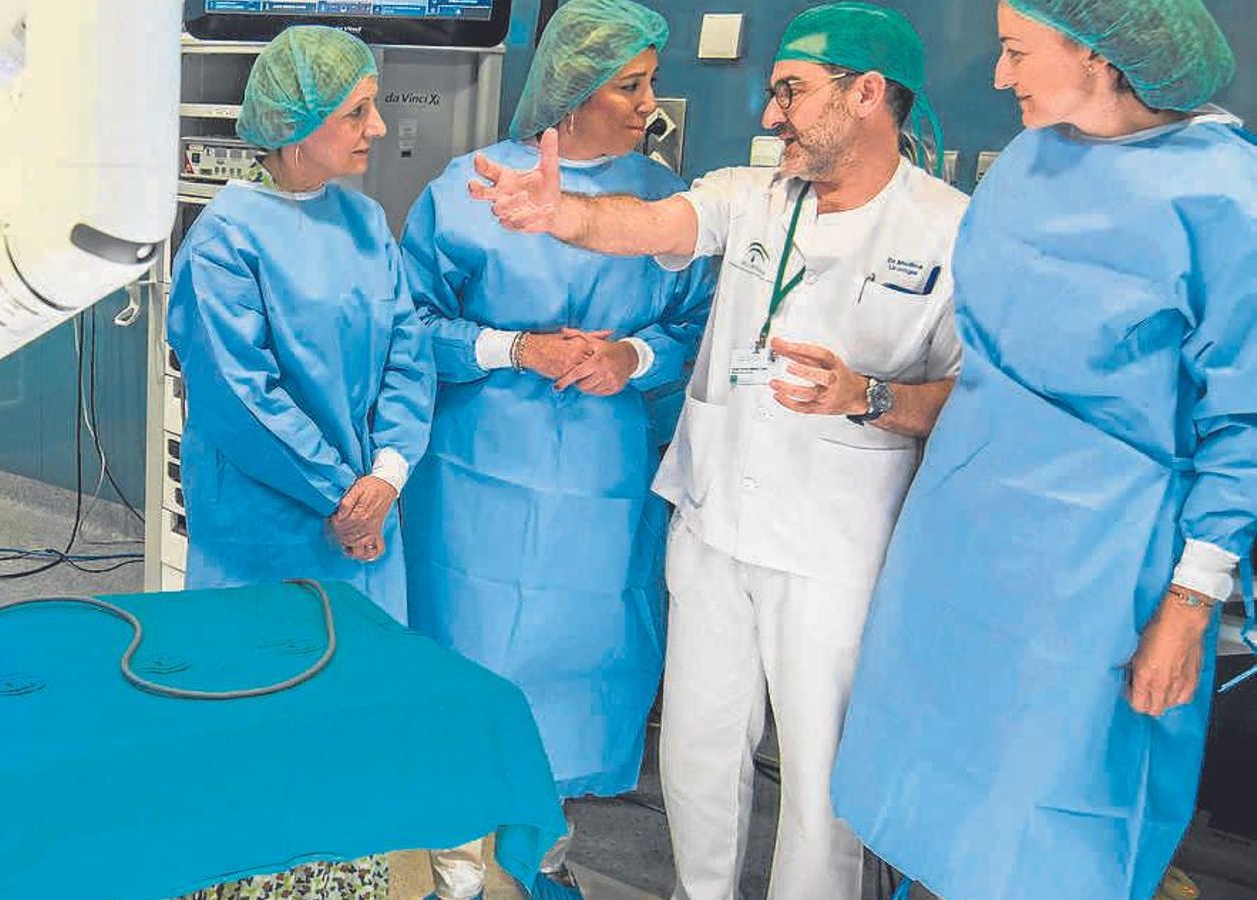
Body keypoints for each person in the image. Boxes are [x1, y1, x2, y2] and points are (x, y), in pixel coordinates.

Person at [467, 4, 969, 898]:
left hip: (834, 548)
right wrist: (561, 216)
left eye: (792, 93)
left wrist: (871, 395)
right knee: (698, 751)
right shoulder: (750, 193)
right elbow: (649, 225)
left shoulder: (950, 231)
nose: (771, 115)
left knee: (820, 778)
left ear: (867, 94)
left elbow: (971, 403)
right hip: (712, 523)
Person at [829, 2, 1256, 900]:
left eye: (1017, 51)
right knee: (930, 782)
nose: (997, 75)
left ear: (1102, 58)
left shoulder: (1226, 198)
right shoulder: (1030, 159)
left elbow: (1244, 424)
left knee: (1050, 813)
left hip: (1099, 563)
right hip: (961, 529)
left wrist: (1190, 604)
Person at [397, 1, 715, 897]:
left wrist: (631, 355)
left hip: (605, 481)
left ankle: (543, 853)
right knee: (469, 649)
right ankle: (457, 860)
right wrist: (515, 348)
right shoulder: (471, 191)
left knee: (582, 656)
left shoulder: (663, 205)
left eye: (651, 81)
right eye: (631, 83)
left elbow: (697, 331)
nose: (649, 102)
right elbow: (411, 323)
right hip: (472, 478)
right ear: (572, 89)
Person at [165, 26, 435, 899]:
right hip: (268, 533)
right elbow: (240, 399)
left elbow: (408, 350)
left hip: (365, 525)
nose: (379, 126)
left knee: (352, 723)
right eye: (357, 110)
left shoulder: (365, 220)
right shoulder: (226, 238)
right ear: (297, 122)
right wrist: (339, 492)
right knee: (260, 730)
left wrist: (386, 475)